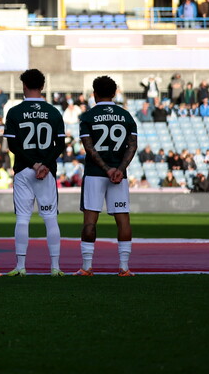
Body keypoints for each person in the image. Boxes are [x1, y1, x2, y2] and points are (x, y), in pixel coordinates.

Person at [3, 69, 67, 277]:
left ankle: (21, 267)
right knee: (50, 218)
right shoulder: (54, 112)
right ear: (43, 87)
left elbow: (12, 145)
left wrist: (33, 164)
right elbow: (60, 144)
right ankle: (55, 267)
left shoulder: (14, 112)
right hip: (46, 173)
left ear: (23, 87)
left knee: (22, 219)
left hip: (24, 171)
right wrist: (44, 164)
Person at [77, 76, 138, 276]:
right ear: (114, 93)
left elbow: (89, 148)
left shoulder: (87, 117)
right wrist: (118, 169)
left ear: (94, 94)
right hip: (119, 175)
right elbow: (132, 146)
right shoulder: (126, 116)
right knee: (123, 220)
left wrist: (106, 169)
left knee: (90, 220)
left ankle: (86, 267)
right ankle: (124, 267)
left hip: (95, 173)